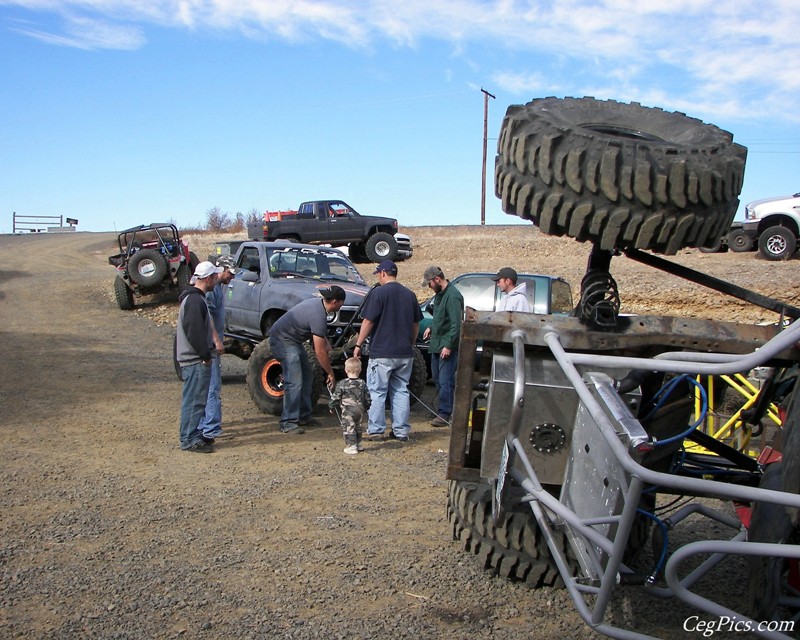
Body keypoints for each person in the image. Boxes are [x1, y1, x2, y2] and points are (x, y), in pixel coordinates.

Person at [353, 260, 422, 442]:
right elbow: (416, 324)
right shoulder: (410, 295)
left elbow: (368, 321)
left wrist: (358, 344)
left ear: (383, 273)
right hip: (404, 353)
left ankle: (376, 430)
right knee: (401, 391)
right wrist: (411, 343)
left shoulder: (379, 294)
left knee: (377, 392)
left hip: (382, 352)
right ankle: (401, 431)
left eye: (378, 274)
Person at [268, 286, 345, 434]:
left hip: (293, 340)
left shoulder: (318, 306)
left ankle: (304, 415)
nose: (342, 306)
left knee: (307, 374)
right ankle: (288, 422)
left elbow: (320, 338)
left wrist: (331, 349)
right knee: (294, 381)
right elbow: (320, 352)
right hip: (282, 340)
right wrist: (330, 373)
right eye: (342, 302)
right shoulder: (318, 315)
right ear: (335, 302)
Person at [175, 261, 223, 453]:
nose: (217, 280)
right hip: (194, 359)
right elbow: (193, 331)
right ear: (208, 278)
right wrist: (205, 356)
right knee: (194, 400)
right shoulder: (195, 301)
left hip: (194, 358)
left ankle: (193, 434)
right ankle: (188, 439)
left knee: (198, 400)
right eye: (215, 277)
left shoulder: (195, 298)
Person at [196, 255, 237, 442]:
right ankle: (210, 427)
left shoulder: (218, 288)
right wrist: (216, 340)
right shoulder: (211, 292)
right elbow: (208, 317)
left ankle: (204, 423)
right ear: (220, 271)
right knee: (212, 385)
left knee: (209, 384)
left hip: (212, 342)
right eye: (230, 273)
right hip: (210, 345)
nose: (232, 277)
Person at [421, 266, 464, 428]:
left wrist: (449, 345)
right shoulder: (440, 296)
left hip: (445, 346)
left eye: (430, 283)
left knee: (446, 381)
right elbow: (440, 317)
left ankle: (445, 413)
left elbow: (456, 324)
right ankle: (441, 409)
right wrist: (431, 327)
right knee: (438, 380)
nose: (430, 287)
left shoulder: (453, 297)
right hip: (436, 344)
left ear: (437, 279)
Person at [328, 357, 370, 454]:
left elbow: (336, 397)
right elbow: (367, 396)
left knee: (349, 427)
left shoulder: (342, 383)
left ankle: (351, 446)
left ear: (346, 370)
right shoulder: (362, 383)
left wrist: (331, 406)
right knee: (358, 426)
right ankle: (359, 444)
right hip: (359, 409)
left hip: (348, 410)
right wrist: (367, 406)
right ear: (360, 370)